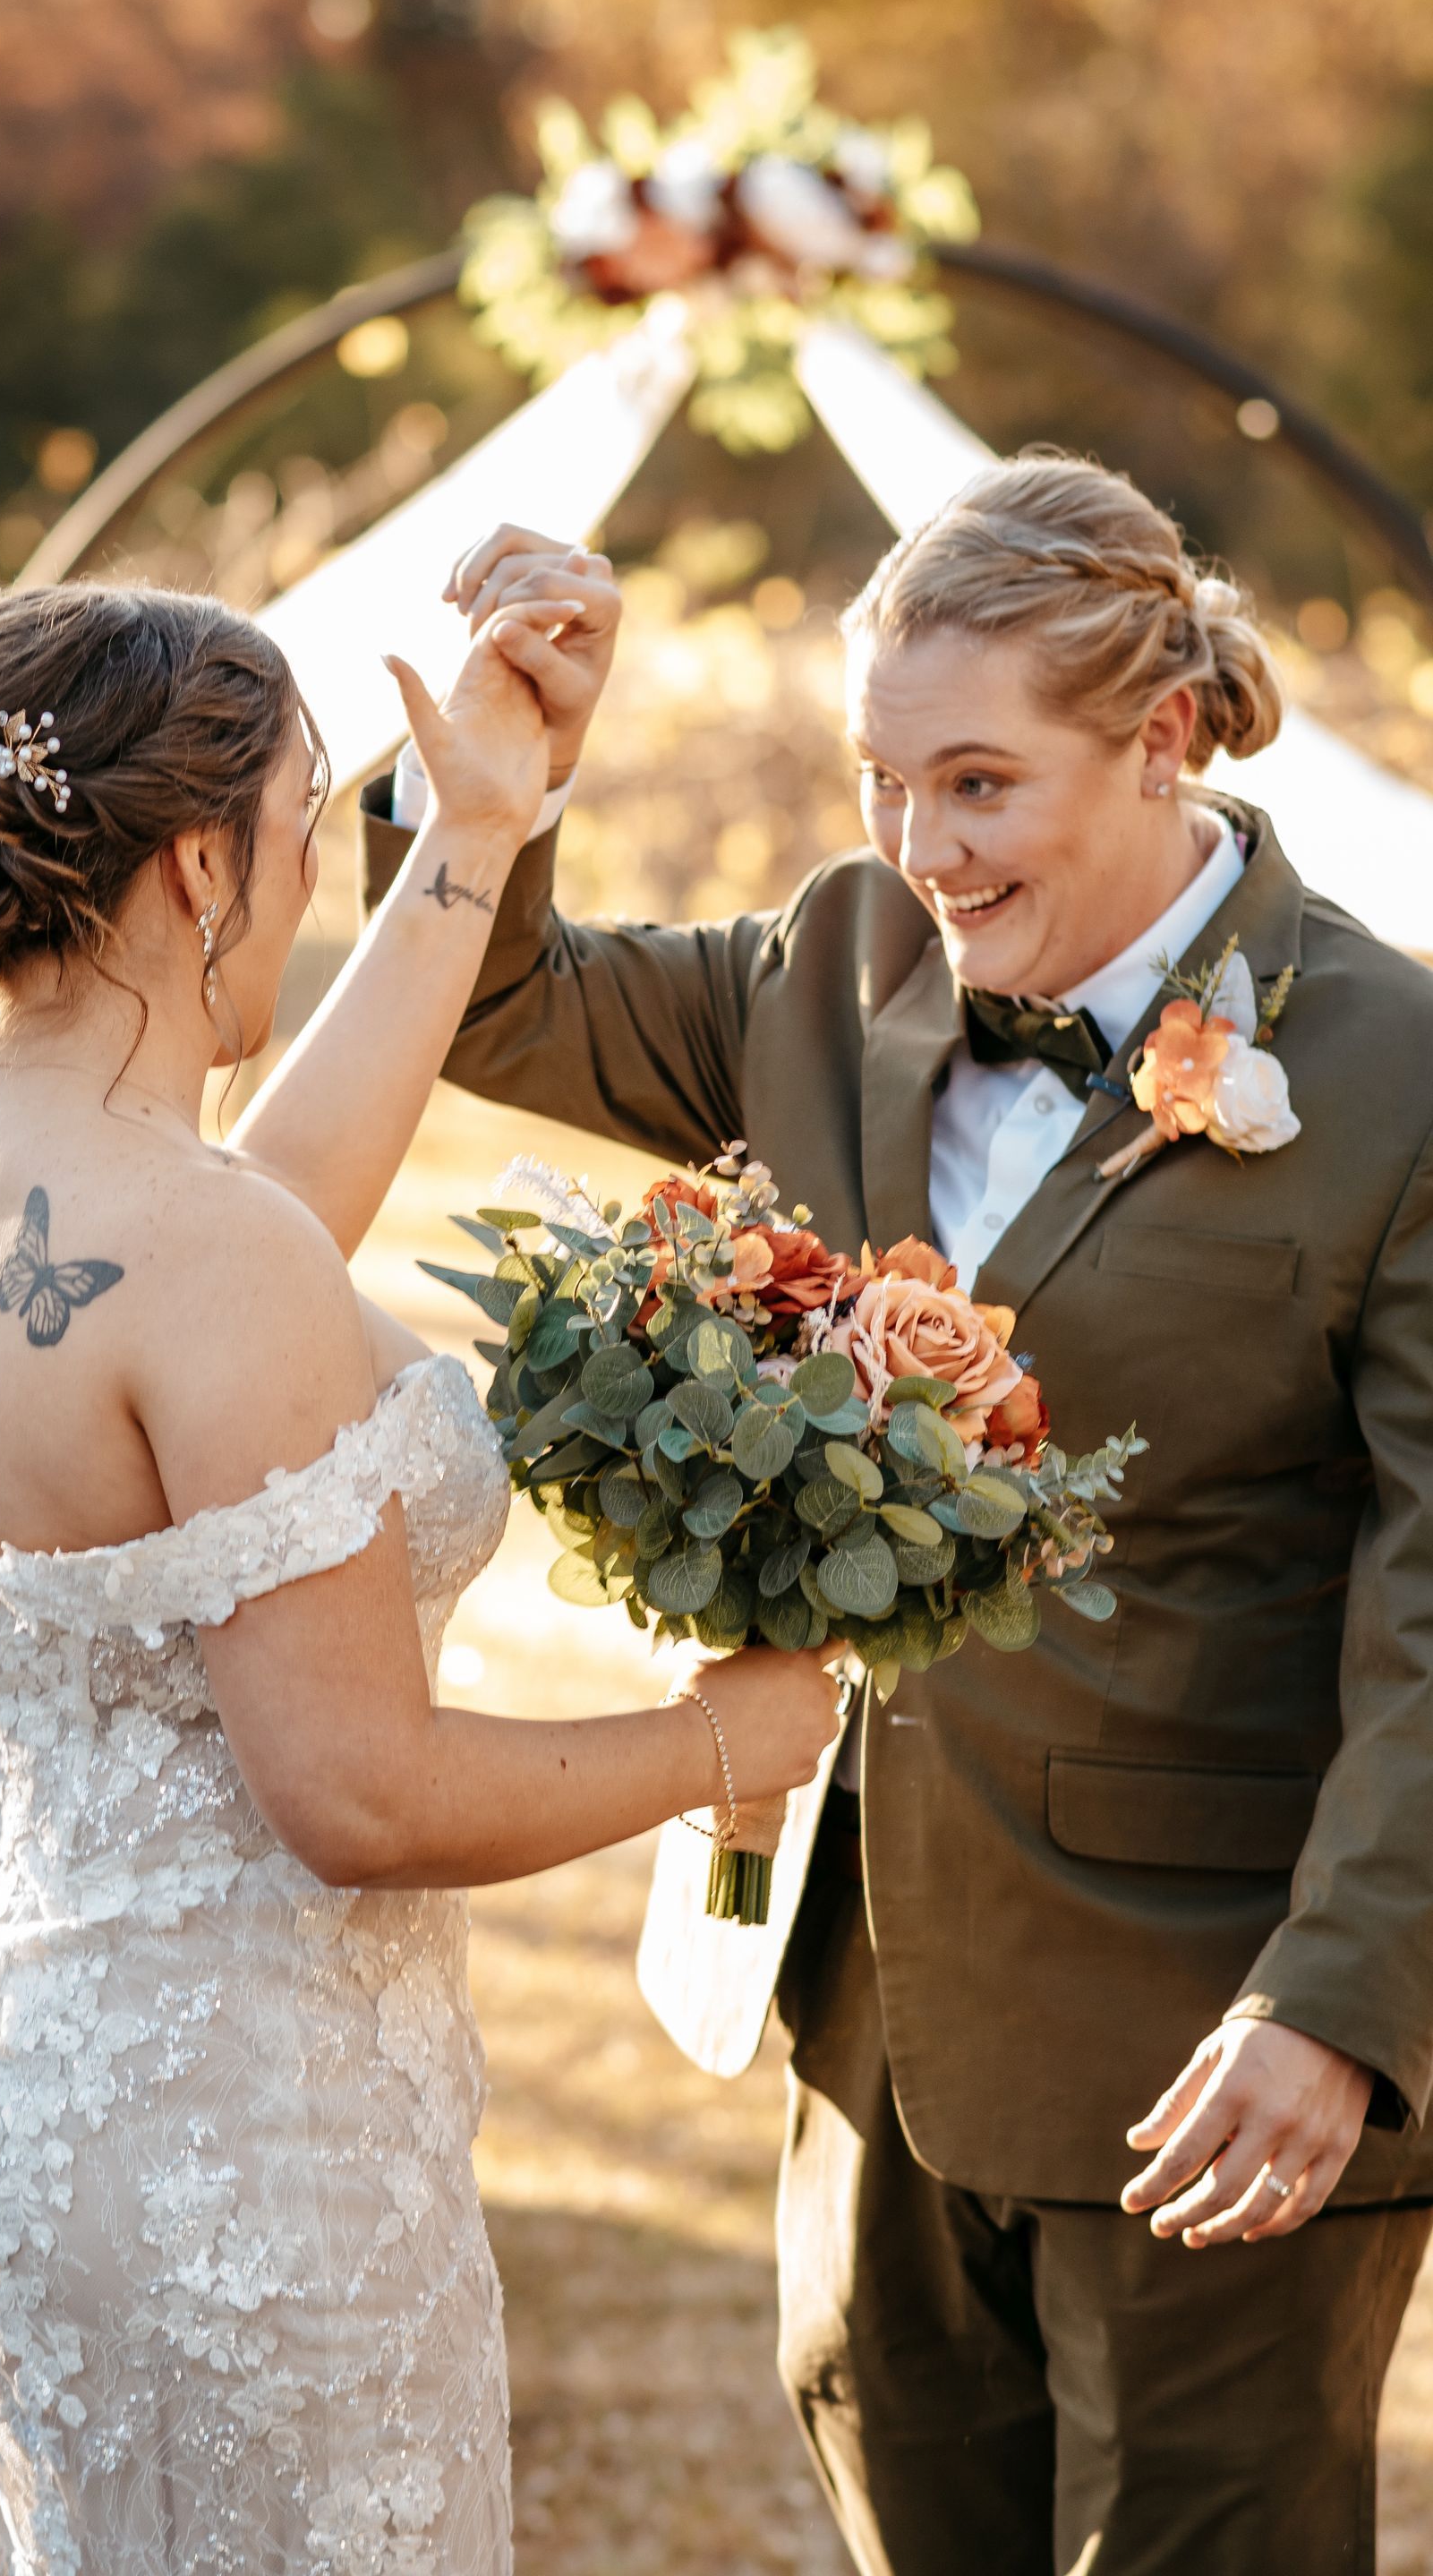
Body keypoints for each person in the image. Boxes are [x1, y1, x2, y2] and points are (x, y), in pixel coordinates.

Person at [349, 461, 1433, 2574]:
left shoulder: (1397, 1066)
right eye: (881, 777)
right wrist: (490, 795)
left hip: (1223, 2031)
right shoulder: (827, 964)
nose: (918, 847)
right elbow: (492, 1001)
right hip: (863, 1999)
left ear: (1166, 734)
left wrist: (1339, 2000)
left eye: (977, 784)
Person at [0, 578, 839, 2575]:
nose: (305, 870)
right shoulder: (196, 1247)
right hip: (230, 2150)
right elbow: (360, 1796)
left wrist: (474, 840)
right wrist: (723, 1734)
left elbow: (247, 1221)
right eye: (306, 825)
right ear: (200, 862)